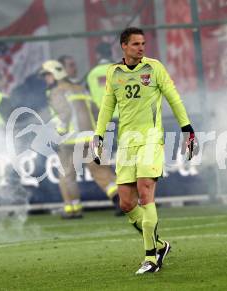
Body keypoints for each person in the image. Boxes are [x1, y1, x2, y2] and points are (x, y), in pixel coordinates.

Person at [91, 27, 198, 274]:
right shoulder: (114, 73)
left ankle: (151, 257)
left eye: (143, 43)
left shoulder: (154, 68)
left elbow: (174, 98)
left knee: (144, 191)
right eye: (136, 44)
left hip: (150, 139)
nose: (142, 47)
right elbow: (107, 106)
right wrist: (98, 135)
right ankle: (160, 245)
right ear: (124, 46)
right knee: (126, 204)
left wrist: (188, 130)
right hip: (127, 143)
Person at [39, 60, 122, 219]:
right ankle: (122, 201)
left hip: (70, 141)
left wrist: (58, 135)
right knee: (101, 171)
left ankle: (72, 209)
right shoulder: (81, 89)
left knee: (67, 175)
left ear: (55, 75)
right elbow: (96, 111)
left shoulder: (56, 91)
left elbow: (64, 114)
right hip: (92, 137)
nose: (46, 79)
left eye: (47, 75)